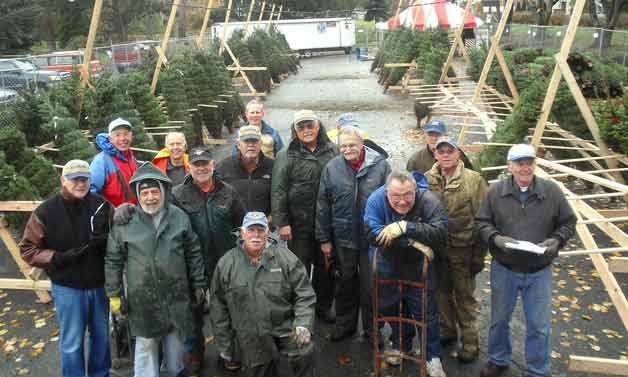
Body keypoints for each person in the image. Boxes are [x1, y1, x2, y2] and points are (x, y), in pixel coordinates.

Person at [475, 144, 576, 377]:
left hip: (539, 270)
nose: (525, 167)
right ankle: (498, 360)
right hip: (505, 268)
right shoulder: (495, 192)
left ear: (534, 164)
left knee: (539, 326)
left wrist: (556, 240)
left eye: (529, 162)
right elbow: (481, 222)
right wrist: (496, 238)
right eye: (519, 163)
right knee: (499, 320)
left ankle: (538, 370)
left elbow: (568, 223)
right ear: (509, 166)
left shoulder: (552, 191)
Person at [105, 162, 207, 377]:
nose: (150, 197)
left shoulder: (178, 217)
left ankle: (174, 372)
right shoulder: (126, 222)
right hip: (142, 299)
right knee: (146, 347)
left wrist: (198, 284)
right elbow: (113, 259)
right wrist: (114, 294)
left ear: (163, 191)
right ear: (138, 195)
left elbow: (193, 251)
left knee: (175, 345)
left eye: (154, 192)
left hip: (176, 295)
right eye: (145, 193)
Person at [20, 160, 112, 377]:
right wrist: (56, 257)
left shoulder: (101, 205)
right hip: (68, 287)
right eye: (75, 179)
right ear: (63, 180)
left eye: (85, 179)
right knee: (72, 342)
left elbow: (119, 225)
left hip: (99, 284)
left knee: (101, 337)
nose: (80, 184)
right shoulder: (46, 211)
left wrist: (126, 213)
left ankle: (101, 374)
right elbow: (28, 249)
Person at [210, 212, 316, 377]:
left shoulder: (285, 258)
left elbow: (305, 294)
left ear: (267, 233)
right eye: (251, 230)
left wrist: (303, 323)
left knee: (305, 353)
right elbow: (218, 308)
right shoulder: (227, 264)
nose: (256, 235)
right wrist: (225, 345)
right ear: (242, 233)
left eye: (260, 230)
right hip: (250, 334)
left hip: (284, 327)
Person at [364, 170, 448, 377]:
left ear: (416, 190)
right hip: (387, 265)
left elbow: (440, 234)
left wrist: (406, 226)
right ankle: (402, 345)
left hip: (420, 268)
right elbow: (371, 234)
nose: (402, 201)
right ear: (386, 192)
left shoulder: (429, 201)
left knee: (426, 313)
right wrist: (414, 242)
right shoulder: (376, 200)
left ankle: (432, 356)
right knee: (392, 309)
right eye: (396, 196)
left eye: (408, 195)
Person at [171, 145, 246, 372]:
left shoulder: (228, 192)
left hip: (224, 262)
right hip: (192, 264)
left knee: (225, 309)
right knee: (193, 312)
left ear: (213, 165)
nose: (201, 168)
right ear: (189, 167)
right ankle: (195, 354)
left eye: (205, 164)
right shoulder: (177, 195)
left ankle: (228, 351)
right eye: (196, 165)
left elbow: (241, 225)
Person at [315, 126, 390, 342]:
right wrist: (325, 239)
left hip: (372, 240)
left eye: (352, 145)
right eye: (344, 146)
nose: (348, 150)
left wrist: (388, 234)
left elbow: (392, 201)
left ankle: (373, 329)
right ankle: (344, 325)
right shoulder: (332, 167)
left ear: (362, 144)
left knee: (371, 287)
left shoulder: (381, 166)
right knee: (345, 284)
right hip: (343, 238)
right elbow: (323, 204)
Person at [272, 109, 339, 324]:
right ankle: (301, 309)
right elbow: (279, 190)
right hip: (298, 224)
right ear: (295, 130)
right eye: (301, 127)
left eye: (310, 125)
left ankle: (323, 306)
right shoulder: (286, 154)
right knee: (298, 268)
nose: (307, 130)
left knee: (326, 269)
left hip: (326, 225)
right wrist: (282, 222)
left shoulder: (332, 151)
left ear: (318, 127)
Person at [425, 137, 487, 363]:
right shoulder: (427, 179)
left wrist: (479, 255)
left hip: (464, 250)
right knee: (441, 293)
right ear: (436, 155)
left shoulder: (474, 180)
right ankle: (447, 330)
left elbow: (484, 219)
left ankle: (470, 343)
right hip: (438, 250)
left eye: (450, 150)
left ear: (458, 153)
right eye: (441, 151)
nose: (446, 155)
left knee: (464, 298)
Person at [217, 125, 274, 215]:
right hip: (234, 226)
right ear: (238, 145)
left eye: (255, 141)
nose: (251, 145)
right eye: (246, 141)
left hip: (264, 226)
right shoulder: (223, 167)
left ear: (261, 144)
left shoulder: (273, 166)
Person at [90, 117, 138, 207]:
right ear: (110, 139)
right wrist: (108, 212)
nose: (123, 138)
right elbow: (91, 192)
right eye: (117, 135)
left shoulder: (131, 158)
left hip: (133, 213)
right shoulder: (101, 161)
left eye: (126, 134)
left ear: (131, 137)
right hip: (112, 217)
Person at [406, 120, 473, 174]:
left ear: (446, 136)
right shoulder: (415, 159)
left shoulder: (458, 154)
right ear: (425, 136)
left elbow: (471, 176)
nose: (434, 138)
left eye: (438, 135)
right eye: (430, 135)